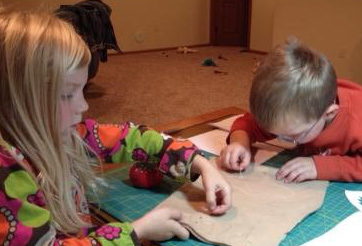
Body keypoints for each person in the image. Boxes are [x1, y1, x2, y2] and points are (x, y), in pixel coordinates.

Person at [0, 10, 231, 246]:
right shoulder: (6, 172)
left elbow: (132, 138)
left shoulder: (65, 133)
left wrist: (200, 165)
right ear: (16, 101)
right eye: (68, 94)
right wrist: (135, 232)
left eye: (82, 90)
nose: (84, 105)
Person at [220, 37, 362, 183]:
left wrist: (319, 167)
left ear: (329, 114)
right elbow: (247, 123)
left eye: (291, 136)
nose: (284, 139)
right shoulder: (302, 108)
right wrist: (240, 143)